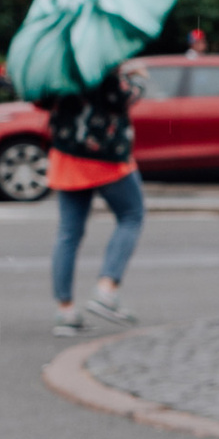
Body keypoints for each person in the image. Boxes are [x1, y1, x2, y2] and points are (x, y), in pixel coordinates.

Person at [45, 61, 146, 333]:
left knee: (68, 233)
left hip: (67, 152)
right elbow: (121, 100)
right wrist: (134, 78)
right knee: (131, 215)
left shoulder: (60, 60)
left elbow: (42, 101)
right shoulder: (100, 56)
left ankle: (64, 311)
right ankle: (106, 289)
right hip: (106, 155)